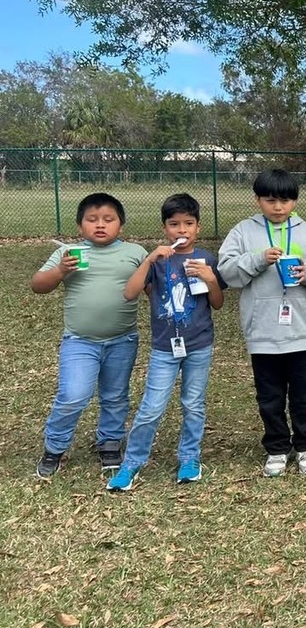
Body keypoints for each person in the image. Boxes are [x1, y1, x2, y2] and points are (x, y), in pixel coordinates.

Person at [218, 169, 306, 477]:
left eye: (285, 200)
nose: (278, 207)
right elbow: (227, 272)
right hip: (263, 332)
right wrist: (258, 259)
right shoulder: (243, 232)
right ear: (257, 200)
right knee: (269, 396)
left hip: (302, 331)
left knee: (305, 394)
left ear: (295, 201)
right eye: (270, 200)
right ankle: (277, 447)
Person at [107, 194, 227, 491]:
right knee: (151, 407)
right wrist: (149, 259)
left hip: (199, 345)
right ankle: (132, 462)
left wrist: (211, 278)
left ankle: (189, 457)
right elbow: (129, 293)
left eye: (188, 223)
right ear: (164, 227)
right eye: (174, 224)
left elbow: (217, 303)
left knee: (193, 404)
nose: (181, 230)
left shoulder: (206, 259)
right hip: (164, 347)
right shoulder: (157, 261)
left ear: (198, 227)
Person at [31, 193, 148, 478]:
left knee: (115, 395)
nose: (100, 225)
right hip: (79, 341)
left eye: (108, 219)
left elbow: (152, 288)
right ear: (80, 225)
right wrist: (61, 270)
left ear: (121, 224)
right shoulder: (68, 253)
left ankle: (110, 442)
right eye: (92, 219)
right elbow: (38, 285)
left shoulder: (135, 252)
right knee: (73, 395)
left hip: (123, 340)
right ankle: (54, 447)